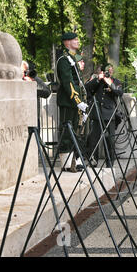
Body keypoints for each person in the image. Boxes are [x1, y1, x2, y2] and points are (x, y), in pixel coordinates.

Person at [56, 32, 88, 172]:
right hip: (68, 102)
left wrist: (82, 102)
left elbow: (79, 82)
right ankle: (67, 163)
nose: (77, 41)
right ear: (67, 42)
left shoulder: (73, 58)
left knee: (77, 131)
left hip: (76, 102)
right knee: (67, 131)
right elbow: (68, 82)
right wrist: (77, 100)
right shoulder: (64, 60)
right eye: (75, 39)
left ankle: (77, 160)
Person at [85, 64, 123, 167]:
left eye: (110, 71)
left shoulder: (116, 82)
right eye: (106, 71)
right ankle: (93, 160)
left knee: (110, 140)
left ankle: (109, 162)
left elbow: (119, 93)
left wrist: (110, 83)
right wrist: (98, 79)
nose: (108, 73)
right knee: (94, 139)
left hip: (109, 114)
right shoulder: (97, 80)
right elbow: (87, 88)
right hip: (97, 113)